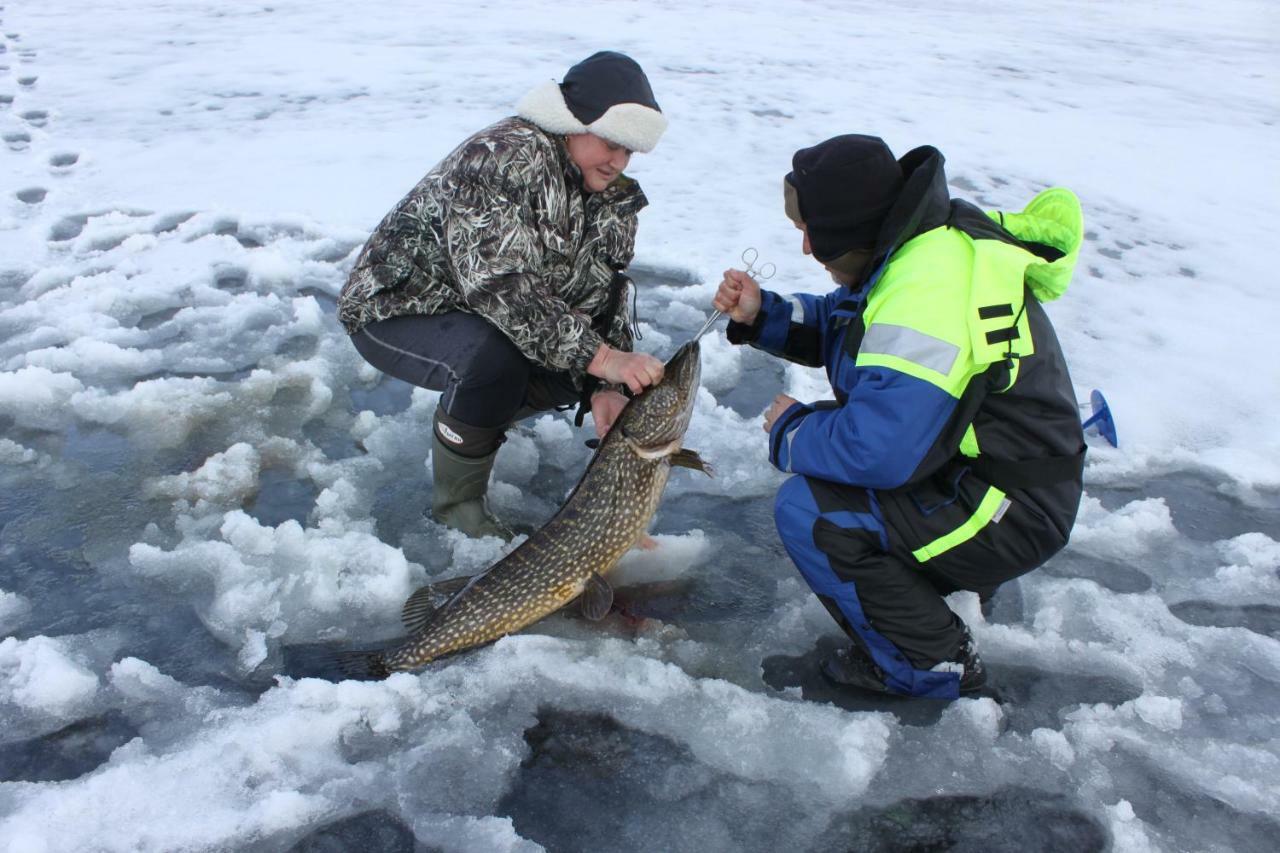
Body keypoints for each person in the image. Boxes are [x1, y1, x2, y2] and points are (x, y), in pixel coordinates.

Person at [713, 135, 1086, 699]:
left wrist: (791, 432)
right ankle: (931, 584)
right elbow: (852, 329)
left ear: (852, 229)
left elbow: (877, 451)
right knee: (841, 440)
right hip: (980, 473)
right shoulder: (919, 248)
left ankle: (927, 663)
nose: (809, 248)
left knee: (812, 511)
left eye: (813, 233)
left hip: (1008, 510)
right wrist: (764, 313)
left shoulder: (930, 292)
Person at [338, 51, 668, 539]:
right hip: (397, 308)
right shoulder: (499, 157)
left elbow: (606, 296)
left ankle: (474, 419)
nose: (619, 160)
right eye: (611, 141)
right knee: (493, 361)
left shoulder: (611, 195)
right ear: (573, 121)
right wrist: (602, 359)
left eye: (630, 149)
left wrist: (604, 386)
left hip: (480, 315)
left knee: (569, 365)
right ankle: (458, 512)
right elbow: (498, 286)